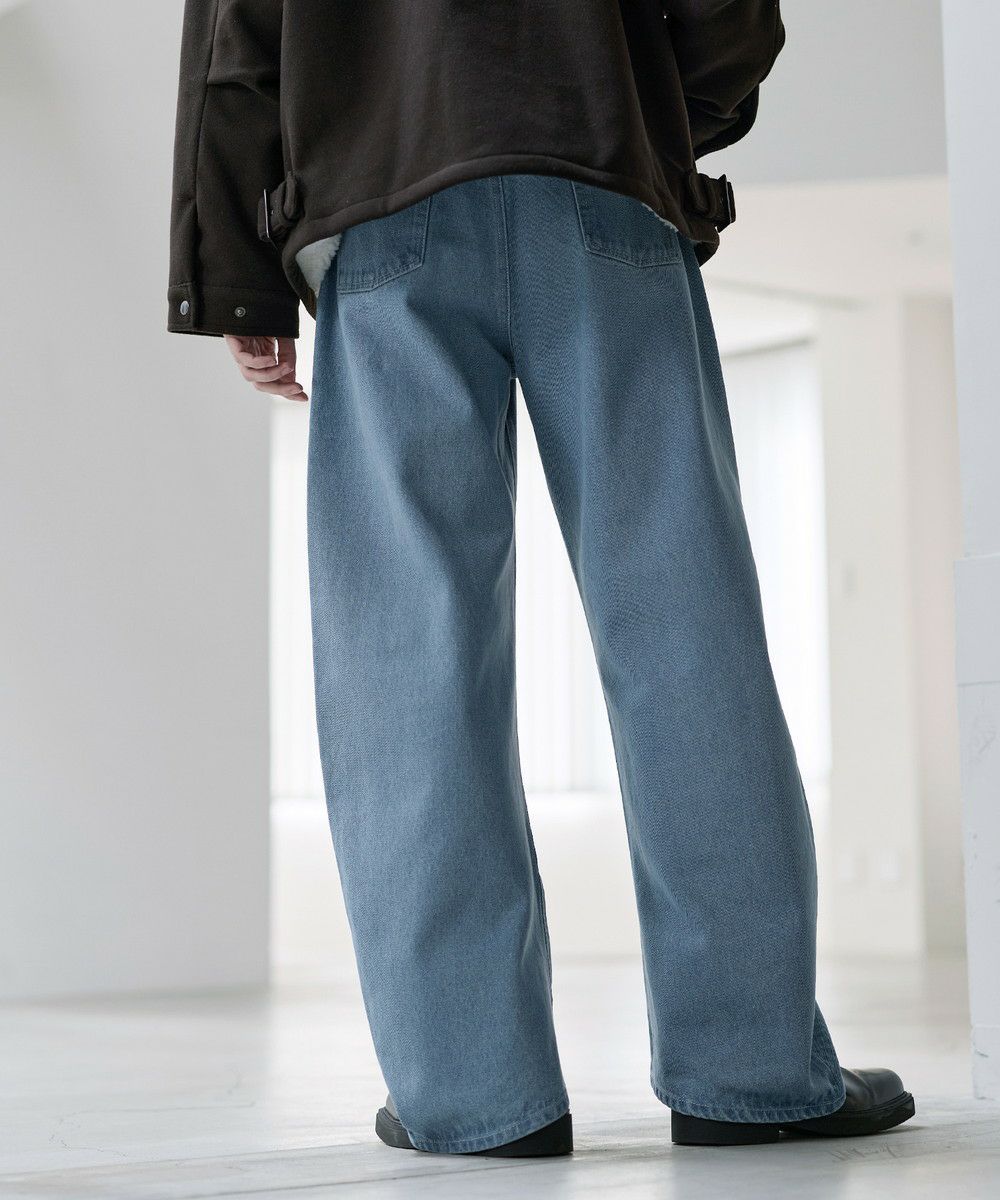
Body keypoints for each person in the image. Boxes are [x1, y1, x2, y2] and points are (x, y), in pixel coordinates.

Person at [167, 1, 916, 1155]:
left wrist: (233, 276)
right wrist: (651, 114)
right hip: (600, 179)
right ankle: (751, 1073)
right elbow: (729, 18)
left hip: (380, 201)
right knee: (683, 634)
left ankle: (473, 1095)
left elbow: (235, 41)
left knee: (406, 663)